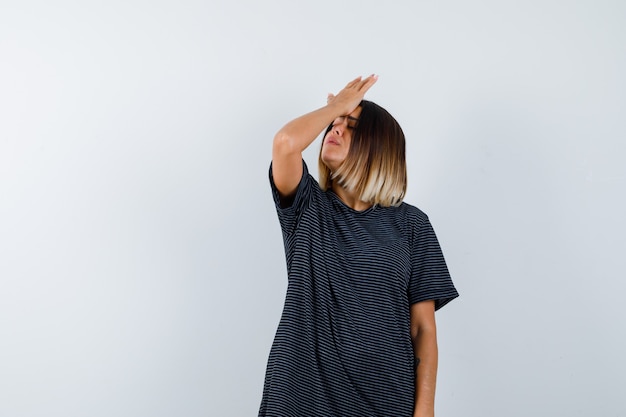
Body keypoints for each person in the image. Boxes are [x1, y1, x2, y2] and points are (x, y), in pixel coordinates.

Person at [259, 75, 459, 417]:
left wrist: (424, 410)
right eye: (332, 124)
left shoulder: (412, 225)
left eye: (350, 125)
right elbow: (285, 143)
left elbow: (423, 328)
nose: (334, 129)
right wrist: (335, 107)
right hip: (299, 401)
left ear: (378, 145)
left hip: (385, 402)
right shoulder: (306, 206)